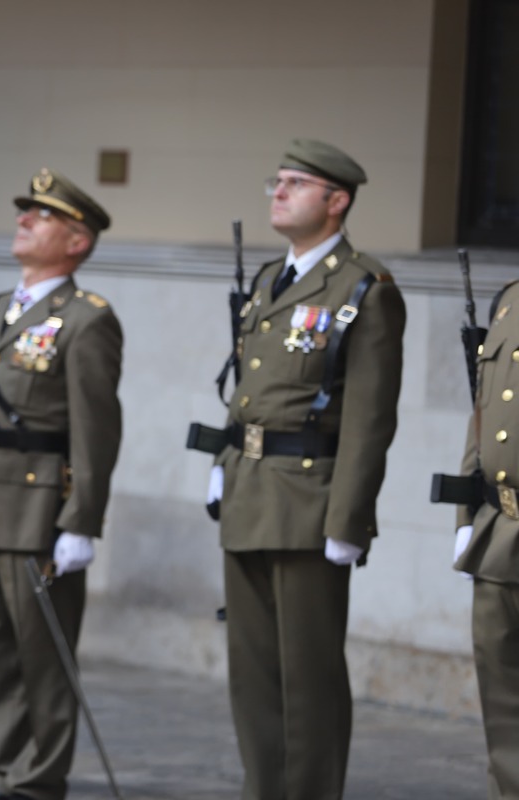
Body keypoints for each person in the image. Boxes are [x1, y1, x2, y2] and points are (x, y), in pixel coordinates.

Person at [208, 139, 406, 798]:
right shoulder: (270, 279)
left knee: (309, 677)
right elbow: (251, 386)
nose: (279, 191)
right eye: (277, 181)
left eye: (296, 182)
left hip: (308, 503)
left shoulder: (364, 287)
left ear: (336, 201)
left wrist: (349, 519)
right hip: (250, 493)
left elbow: (370, 417)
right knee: (254, 673)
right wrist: (225, 460)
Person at [0, 168, 123, 800]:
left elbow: (96, 429)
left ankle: (36, 782)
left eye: (41, 216)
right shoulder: (0, 307)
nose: (23, 219)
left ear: (77, 242)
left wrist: (82, 520)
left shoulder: (86, 319)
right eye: (24, 211)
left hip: (37, 510)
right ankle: (3, 770)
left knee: (40, 658)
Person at [453, 278, 519, 796]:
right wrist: (465, 518)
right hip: (500, 535)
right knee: (504, 720)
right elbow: (482, 417)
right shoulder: (511, 297)